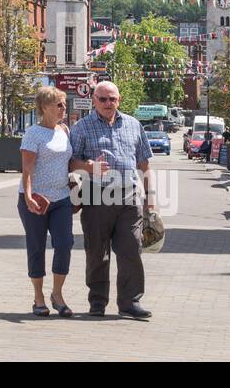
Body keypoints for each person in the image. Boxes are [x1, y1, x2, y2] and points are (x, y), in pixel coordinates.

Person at [69, 80, 155, 319]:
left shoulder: (133, 125)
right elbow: (70, 161)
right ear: (94, 101)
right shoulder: (82, 127)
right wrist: (89, 166)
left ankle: (130, 302)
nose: (108, 103)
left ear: (119, 100)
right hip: (96, 196)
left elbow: (144, 164)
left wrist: (150, 197)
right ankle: (97, 302)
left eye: (112, 99)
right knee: (97, 252)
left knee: (131, 250)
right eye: (103, 99)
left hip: (128, 197)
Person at [18, 86, 76, 317]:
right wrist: (29, 195)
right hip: (36, 200)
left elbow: (69, 163)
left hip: (61, 198)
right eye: (58, 104)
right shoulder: (33, 133)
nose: (63, 108)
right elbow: (28, 167)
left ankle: (57, 294)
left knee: (65, 244)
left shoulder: (64, 130)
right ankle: (39, 297)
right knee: (36, 247)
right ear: (44, 107)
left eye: (63, 104)